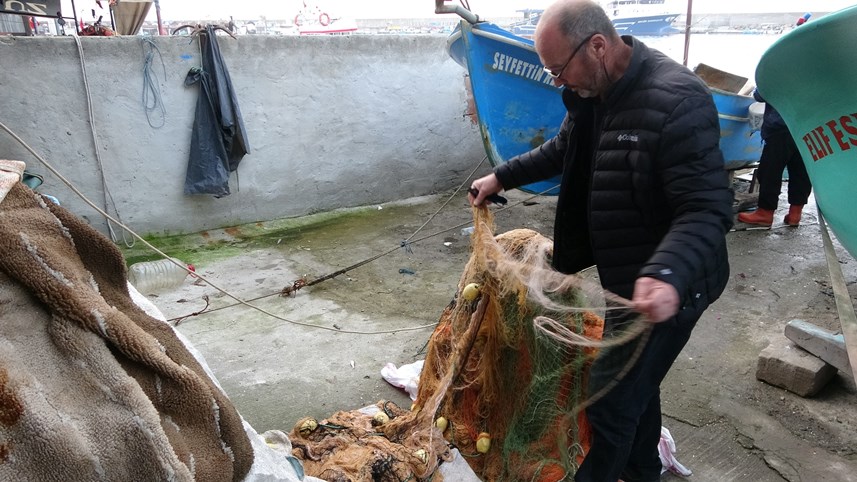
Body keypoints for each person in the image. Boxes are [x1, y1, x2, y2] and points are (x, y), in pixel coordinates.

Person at [467, 1, 734, 480]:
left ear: (597, 45)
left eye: (558, 69)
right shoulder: (594, 94)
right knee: (637, 388)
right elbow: (564, 149)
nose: (556, 81)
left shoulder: (678, 101)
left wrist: (666, 274)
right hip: (627, 279)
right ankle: (643, 471)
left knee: (610, 405)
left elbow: (707, 207)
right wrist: (500, 178)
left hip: (676, 284)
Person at [736, 90, 812, 227]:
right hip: (805, 127)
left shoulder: (777, 70)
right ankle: (795, 214)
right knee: (801, 171)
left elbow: (760, 95)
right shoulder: (811, 72)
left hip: (780, 126)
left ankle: (765, 212)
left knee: (770, 170)